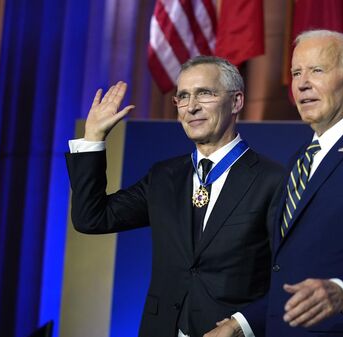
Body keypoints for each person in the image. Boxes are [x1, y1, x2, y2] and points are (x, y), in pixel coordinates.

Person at [204, 30, 343, 337]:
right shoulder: (300, 159)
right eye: (296, 72)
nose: (302, 83)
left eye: (317, 70)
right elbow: (294, 275)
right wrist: (241, 324)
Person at [65, 56, 284, 337]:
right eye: (183, 97)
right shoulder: (164, 177)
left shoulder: (273, 180)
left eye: (205, 93)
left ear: (237, 101)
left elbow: (290, 273)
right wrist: (93, 137)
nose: (192, 107)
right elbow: (91, 218)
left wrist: (242, 324)